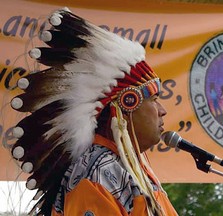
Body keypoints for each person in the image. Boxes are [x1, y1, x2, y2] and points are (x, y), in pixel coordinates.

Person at [9, 8, 178, 216]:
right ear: (126, 105)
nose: (163, 111)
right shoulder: (96, 173)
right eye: (153, 99)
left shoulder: (128, 168)